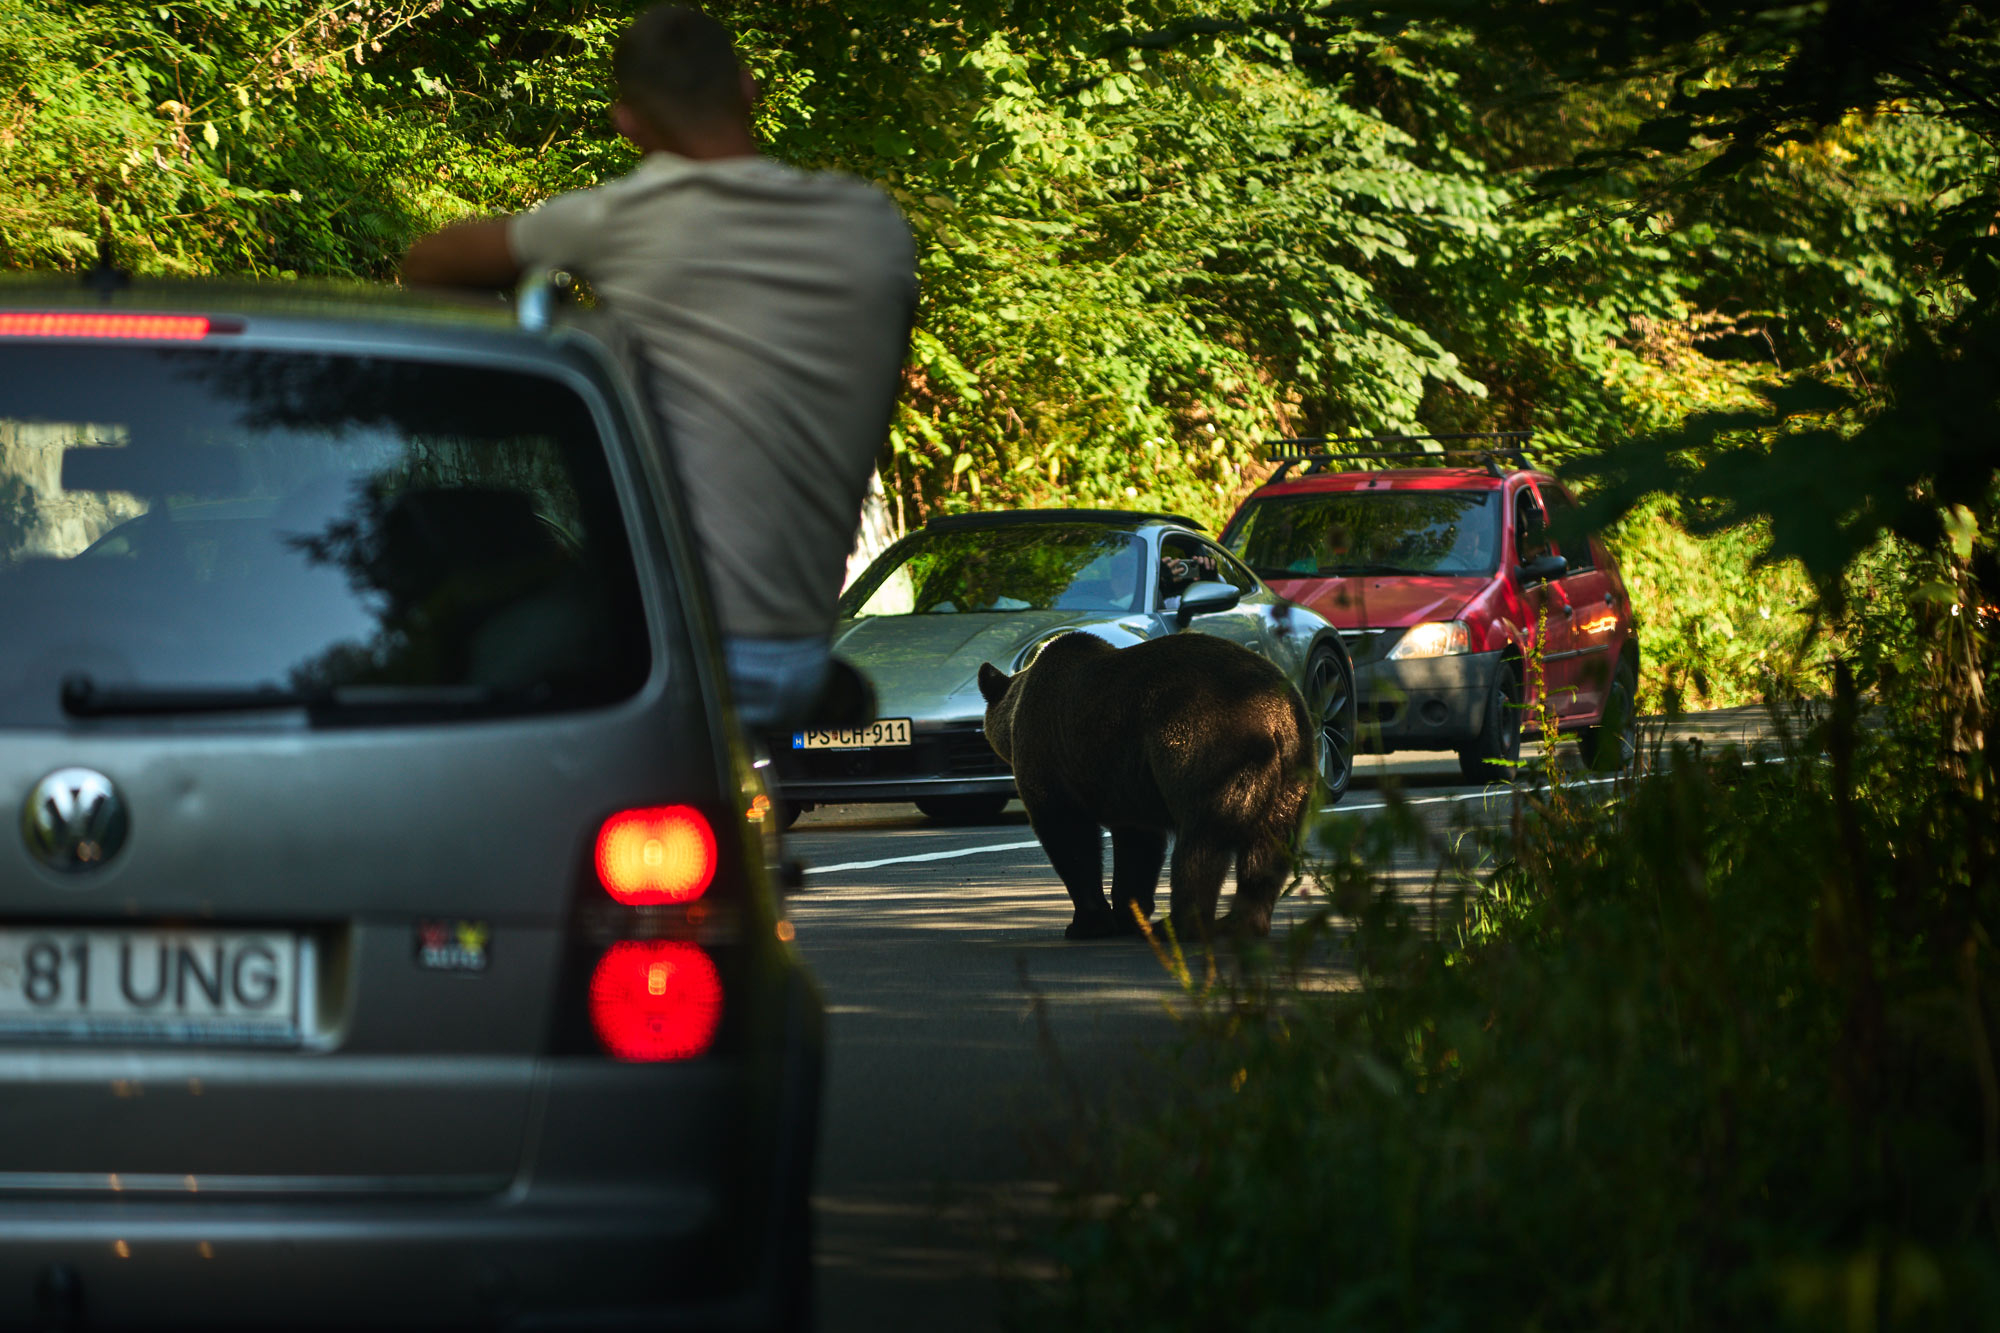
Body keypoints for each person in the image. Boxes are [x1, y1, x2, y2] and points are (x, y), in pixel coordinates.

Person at [399, 5, 917, 730]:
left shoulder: (622, 219)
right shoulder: (875, 225)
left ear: (627, 122)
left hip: (671, 654)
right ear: (749, 86)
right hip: (800, 652)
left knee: (438, 688)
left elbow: (429, 262)